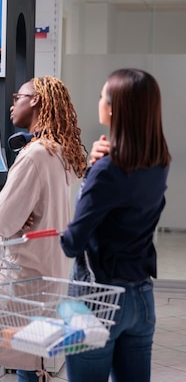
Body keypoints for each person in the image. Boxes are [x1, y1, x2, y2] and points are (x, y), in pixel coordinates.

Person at [0, 76, 87, 382]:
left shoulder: (33, 155)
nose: (12, 104)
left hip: (20, 281)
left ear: (35, 101)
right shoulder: (64, 153)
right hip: (50, 277)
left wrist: (6, 215)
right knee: (31, 362)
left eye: (18, 96)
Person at [60, 68, 171, 382]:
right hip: (141, 297)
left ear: (113, 108)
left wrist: (93, 174)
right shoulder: (159, 161)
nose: (98, 101)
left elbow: (72, 243)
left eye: (101, 96)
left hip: (99, 300)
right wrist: (97, 167)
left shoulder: (108, 168)